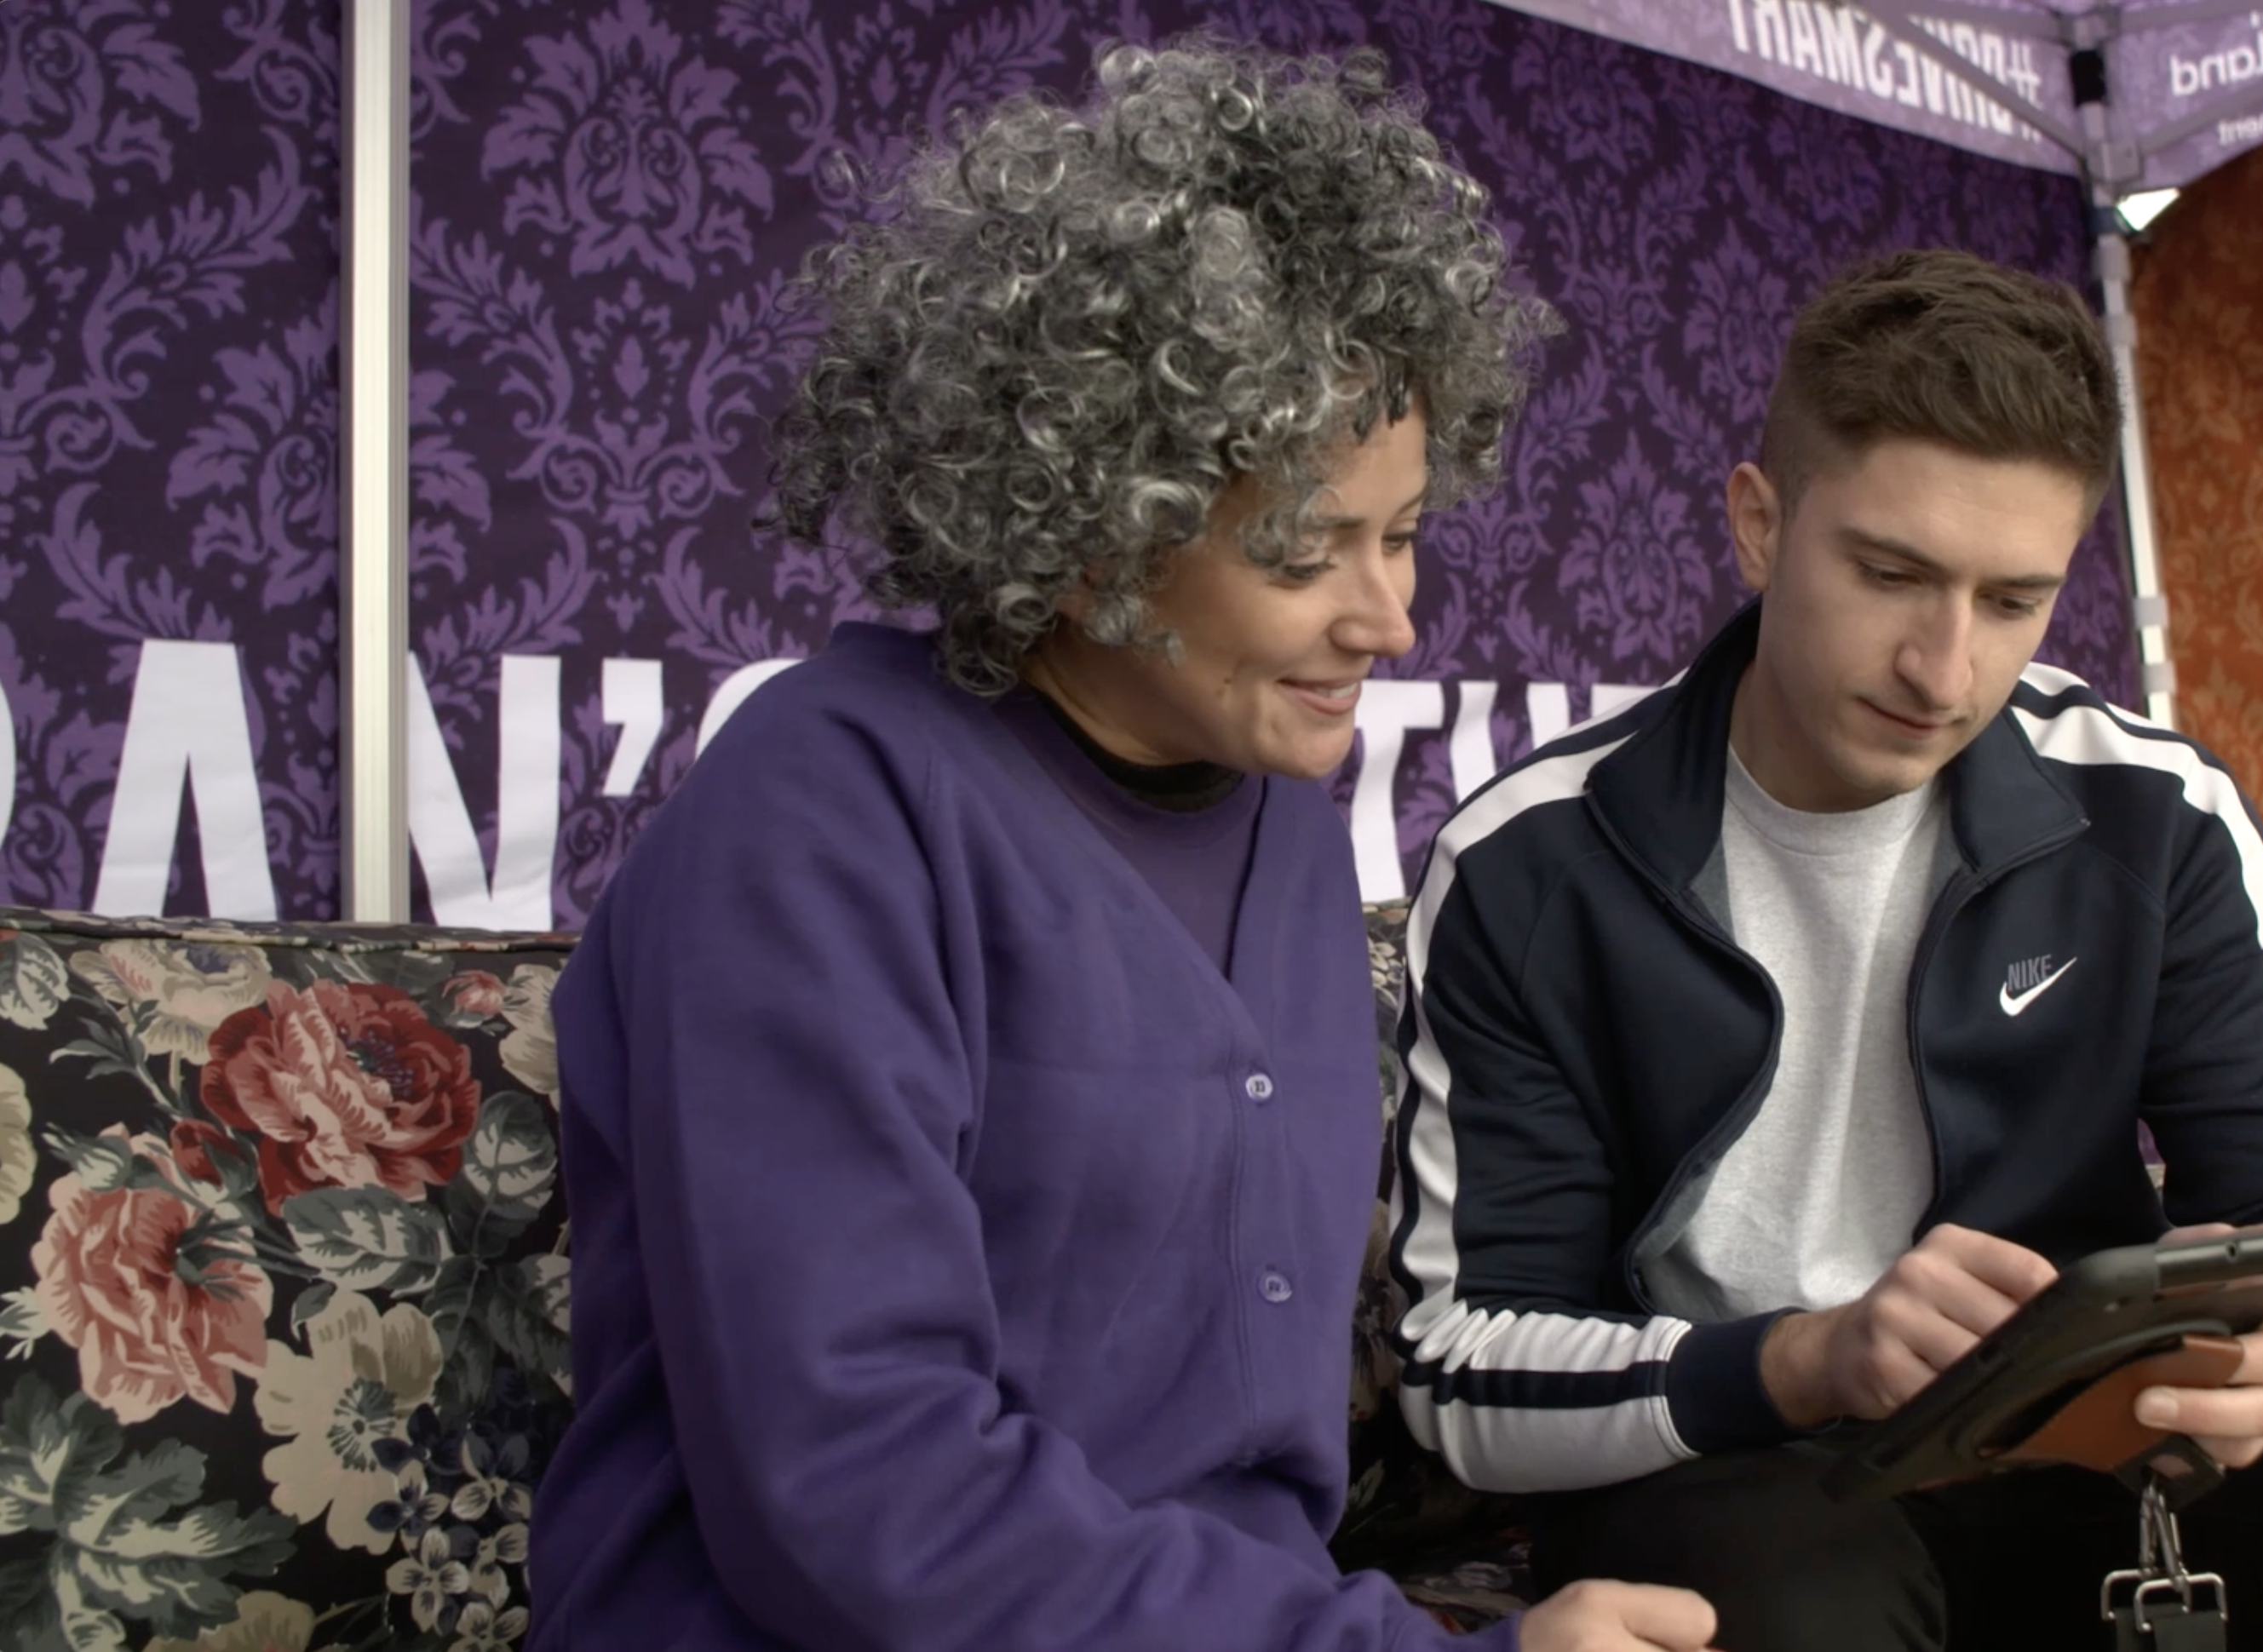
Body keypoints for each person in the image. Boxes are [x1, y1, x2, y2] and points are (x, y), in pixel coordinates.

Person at [528, 41, 1718, 1652]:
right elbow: (862, 1494)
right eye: (1309, 550)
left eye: (1407, 532)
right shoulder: (820, 814)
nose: (1393, 617)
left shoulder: (1292, 847)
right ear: (1092, 529)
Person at [1385, 249, 2263, 1651]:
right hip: (1747, 1472)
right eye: (1891, 574)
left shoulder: (2150, 811)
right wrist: (1804, 1357)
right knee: (1793, 1606)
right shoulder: (1532, 861)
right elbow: (1463, 1374)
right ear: (1757, 523)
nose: (1945, 669)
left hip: (2094, 1453)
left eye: (2014, 602)